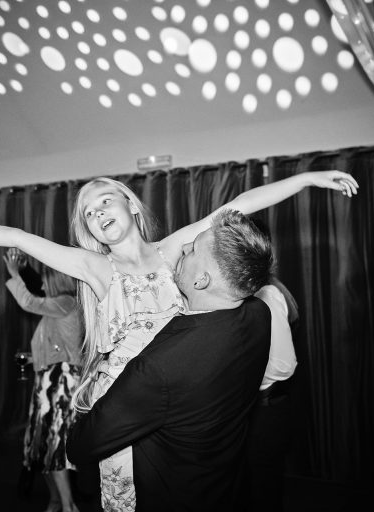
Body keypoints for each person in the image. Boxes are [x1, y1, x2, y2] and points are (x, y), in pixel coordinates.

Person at [0, 170, 358, 510]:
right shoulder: (97, 268)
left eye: (106, 201)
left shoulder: (174, 252)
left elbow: (235, 207)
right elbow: (20, 238)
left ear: (132, 206)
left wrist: (307, 179)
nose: (99, 212)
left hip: (182, 406)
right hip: (127, 410)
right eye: (89, 212)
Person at [65, 209, 273, 511]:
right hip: (224, 488)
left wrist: (106, 379)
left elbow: (81, 446)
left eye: (194, 249)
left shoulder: (157, 369)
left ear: (201, 280)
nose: (185, 247)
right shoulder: (258, 315)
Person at [4, 248, 85, 512]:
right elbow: (58, 343)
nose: (43, 285)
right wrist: (31, 357)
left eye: (47, 280)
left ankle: (68, 505)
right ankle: (56, 501)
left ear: (57, 281)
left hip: (61, 383)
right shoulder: (59, 306)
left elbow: (29, 302)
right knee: (41, 446)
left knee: (55, 446)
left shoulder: (66, 301)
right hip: (49, 379)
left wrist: (15, 273)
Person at [245, 276, 299, 512]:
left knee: (263, 491)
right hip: (257, 410)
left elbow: (282, 365)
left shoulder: (266, 294)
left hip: (264, 410)